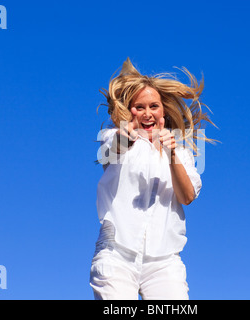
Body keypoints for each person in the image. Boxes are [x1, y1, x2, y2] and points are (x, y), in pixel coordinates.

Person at [89, 58, 215, 300]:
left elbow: (187, 196)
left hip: (164, 261)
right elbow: (111, 151)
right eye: (139, 107)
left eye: (153, 106)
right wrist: (125, 139)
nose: (147, 114)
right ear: (129, 111)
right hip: (116, 253)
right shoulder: (113, 137)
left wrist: (172, 155)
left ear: (163, 110)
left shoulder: (184, 153)